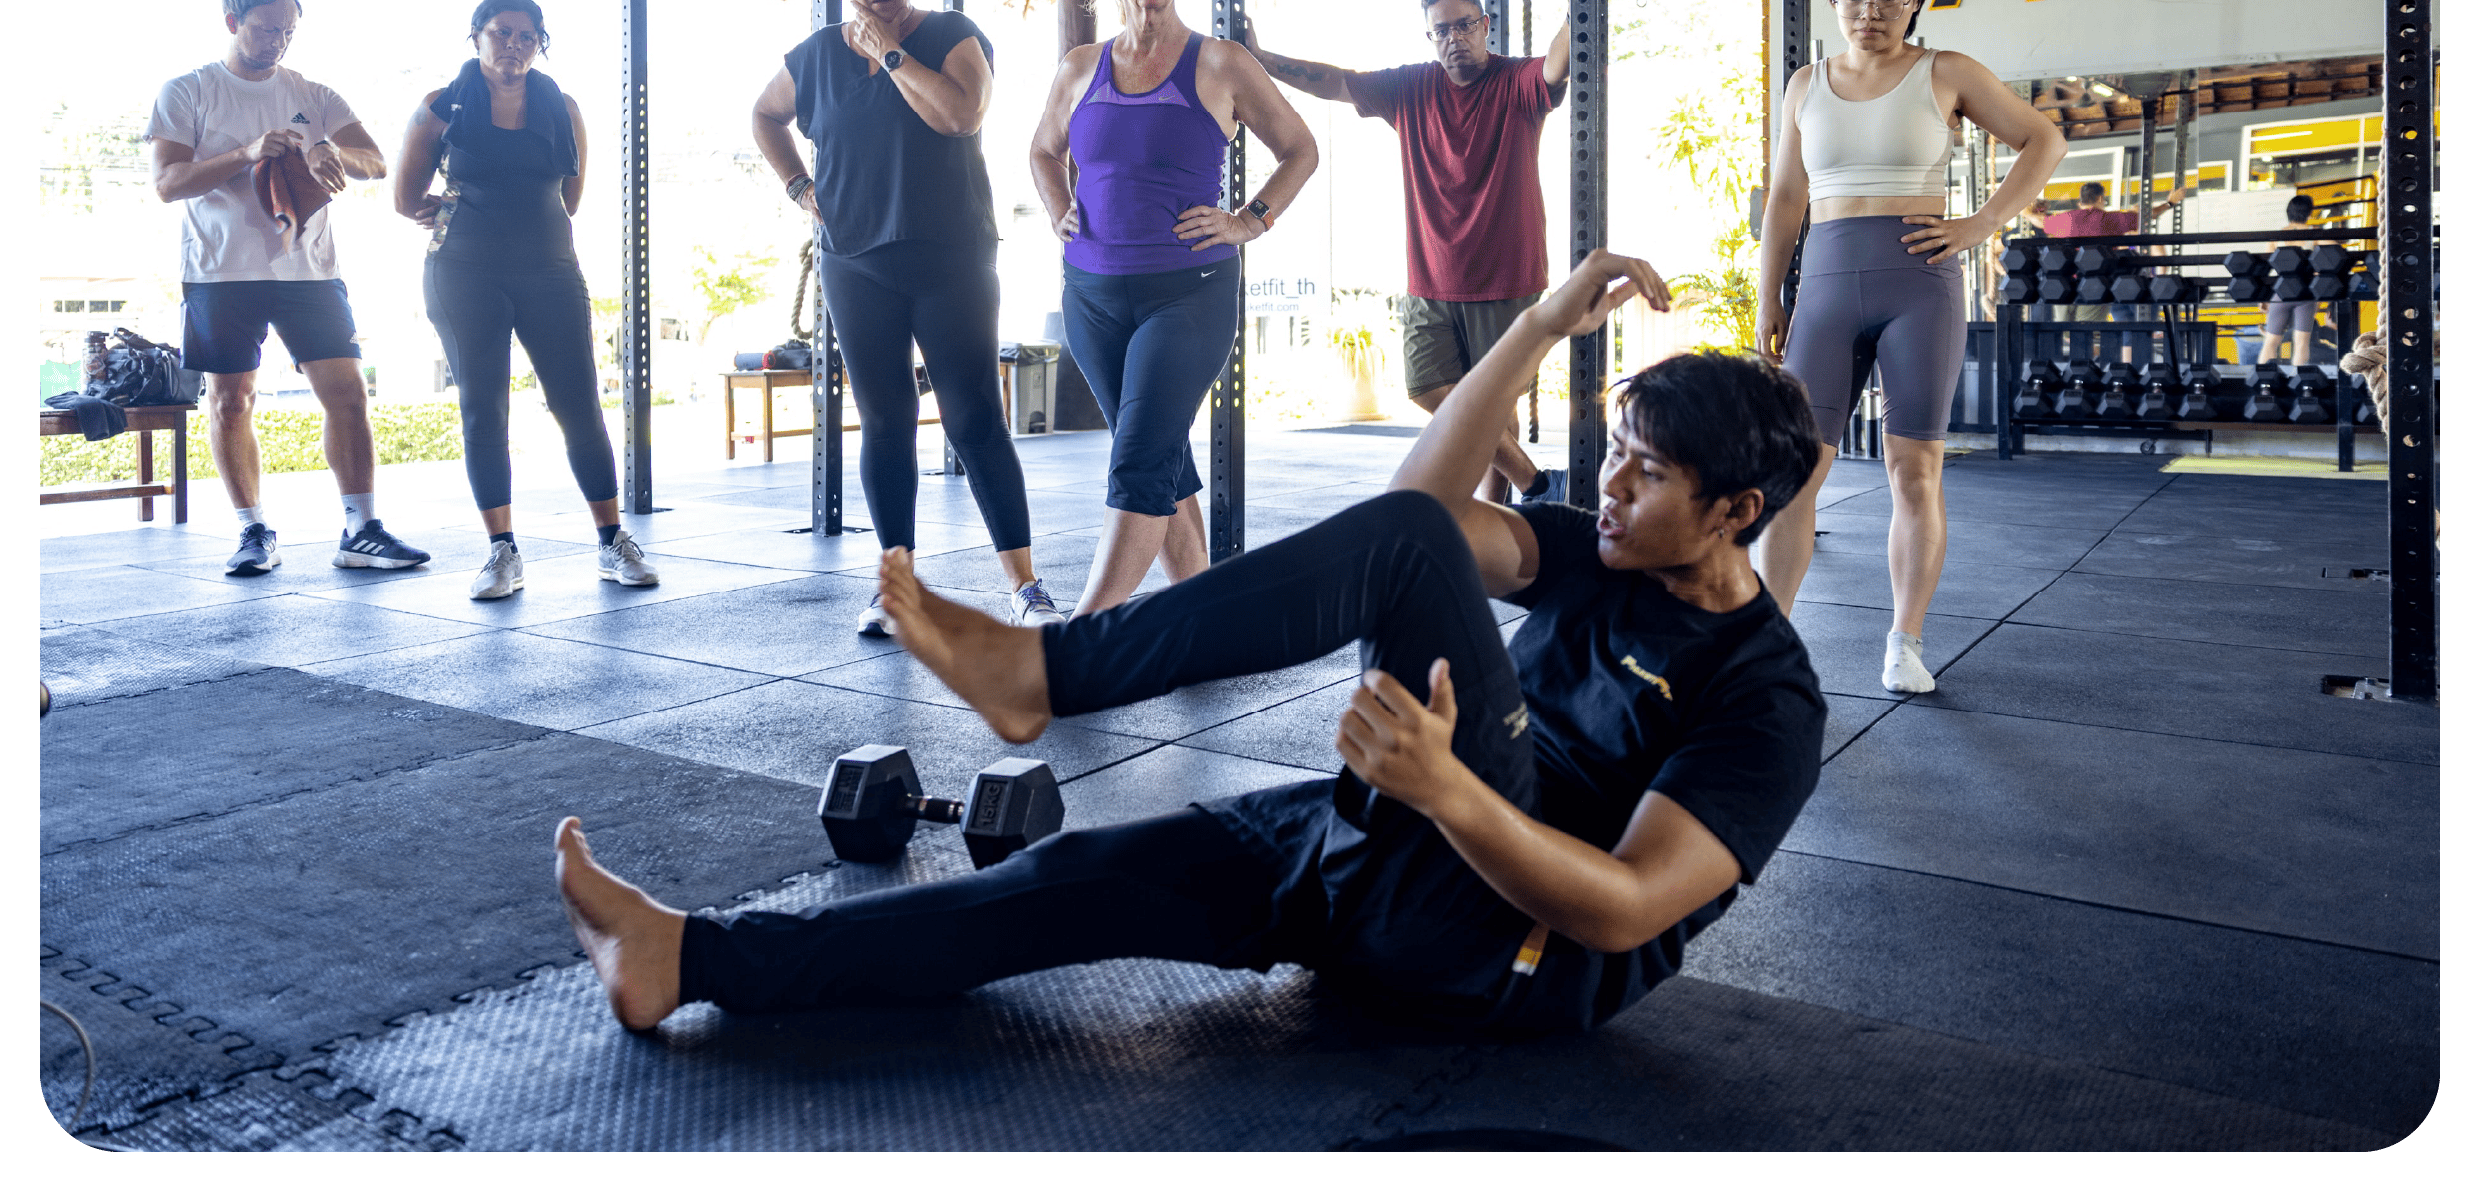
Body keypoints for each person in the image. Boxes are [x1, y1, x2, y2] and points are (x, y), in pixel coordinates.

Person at [553, 250, 1832, 1043]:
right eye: (1608, 454)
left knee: (1395, 553)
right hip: (1389, 849)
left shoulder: (1764, 699)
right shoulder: (1599, 548)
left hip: (1506, 950)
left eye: (1645, 473)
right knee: (1066, 880)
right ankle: (687, 959)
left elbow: (1618, 915)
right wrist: (1535, 329)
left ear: (1733, 512)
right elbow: (1426, 521)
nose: (1606, 489)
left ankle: (1041, 675)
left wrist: (1442, 786)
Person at [1752, 0, 2067, 695]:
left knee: (1914, 469)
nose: (1871, 10)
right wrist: (1769, 294)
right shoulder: (1804, 84)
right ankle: (1766, 650)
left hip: (1917, 286)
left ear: (1915, 3)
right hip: (1823, 287)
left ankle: (1904, 641)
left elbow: (2043, 140)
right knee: (1797, 473)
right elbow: (1787, 200)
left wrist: (1979, 224)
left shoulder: (1946, 71)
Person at [753, 0, 1066, 634]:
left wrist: (891, 53)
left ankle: (1024, 588)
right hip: (855, 261)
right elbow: (764, 116)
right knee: (886, 421)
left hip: (950, 255)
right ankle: (896, 589)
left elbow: (960, 116)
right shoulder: (815, 55)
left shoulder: (954, 35)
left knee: (974, 418)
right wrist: (800, 186)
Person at [1029, 0, 1319, 613]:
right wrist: (1060, 209)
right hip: (1091, 297)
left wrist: (1249, 221)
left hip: (1188, 292)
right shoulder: (1078, 66)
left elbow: (1300, 150)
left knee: (1137, 458)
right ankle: (1203, 617)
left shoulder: (1220, 63)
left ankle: (1086, 637)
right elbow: (1041, 151)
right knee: (1161, 454)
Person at [1247, 0, 1594, 504]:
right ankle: (1541, 485)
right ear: (1429, 37)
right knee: (1426, 388)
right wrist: (1263, 59)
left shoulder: (1515, 82)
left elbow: (1555, 65)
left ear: (1485, 25)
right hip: (1431, 278)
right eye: (1442, 30)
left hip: (1506, 277)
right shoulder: (1411, 87)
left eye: (1465, 25)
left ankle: (1491, 521)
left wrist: (1577, 11)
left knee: (1494, 406)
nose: (1455, 37)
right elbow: (1334, 81)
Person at [145, 0, 432, 578]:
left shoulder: (315, 94)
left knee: (349, 394)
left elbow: (375, 162)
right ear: (232, 22)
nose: (279, 40)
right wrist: (245, 153)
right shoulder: (188, 91)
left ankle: (361, 529)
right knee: (231, 401)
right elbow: (168, 184)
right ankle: (253, 532)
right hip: (220, 273)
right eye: (267, 28)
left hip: (309, 271)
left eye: (289, 30)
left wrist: (332, 154)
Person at [395, 0, 656, 600]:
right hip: (463, 273)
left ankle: (612, 540)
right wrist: (448, 209)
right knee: (485, 411)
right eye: (501, 33)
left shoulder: (562, 107)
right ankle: (501, 552)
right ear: (476, 36)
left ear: (540, 43)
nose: (513, 46)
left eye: (526, 36)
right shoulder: (441, 105)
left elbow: (571, 196)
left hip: (549, 270)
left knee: (580, 407)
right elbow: (406, 198)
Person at [2041, 180, 2186, 363]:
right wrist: (2169, 203)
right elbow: (2147, 216)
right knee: (2086, 330)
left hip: (2064, 284)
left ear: (2081, 201)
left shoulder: (2065, 219)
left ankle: (2092, 366)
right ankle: (2096, 369)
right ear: (2101, 198)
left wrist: (2026, 211)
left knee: (2071, 331)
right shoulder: (2110, 220)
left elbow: (2040, 222)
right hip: (2095, 286)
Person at [2257, 193, 2322, 367]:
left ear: (2289, 212)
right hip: (2306, 293)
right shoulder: (2314, 236)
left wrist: (2264, 297)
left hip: (2282, 292)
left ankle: (2264, 381)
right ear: (2309, 212)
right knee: (2301, 343)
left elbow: (2267, 269)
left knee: (2271, 341)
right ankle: (2300, 384)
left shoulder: (2277, 237)